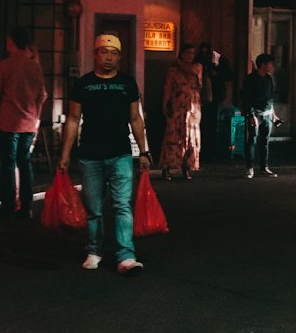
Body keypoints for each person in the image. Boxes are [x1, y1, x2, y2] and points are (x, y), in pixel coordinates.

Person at [58, 33, 152, 274]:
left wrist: (144, 151)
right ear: (95, 54)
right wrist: (65, 155)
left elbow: (135, 118)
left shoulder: (127, 84)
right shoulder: (83, 84)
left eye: (113, 53)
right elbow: (73, 118)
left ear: (119, 56)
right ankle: (94, 250)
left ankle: (126, 255)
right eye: (103, 52)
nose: (108, 57)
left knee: (122, 205)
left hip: (120, 153)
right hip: (89, 155)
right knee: (94, 208)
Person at [0, 27, 47, 220]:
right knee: (25, 163)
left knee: (8, 164)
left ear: (11, 42)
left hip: (7, 121)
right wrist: (36, 118)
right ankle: (27, 206)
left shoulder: (3, 66)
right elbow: (42, 95)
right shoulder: (34, 67)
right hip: (28, 122)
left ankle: (8, 205)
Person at [160, 42, 203, 180]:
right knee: (173, 136)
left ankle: (186, 166)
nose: (190, 56)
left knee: (190, 137)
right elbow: (168, 87)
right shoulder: (173, 70)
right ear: (182, 54)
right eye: (188, 53)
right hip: (178, 106)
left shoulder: (197, 67)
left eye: (192, 53)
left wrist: (180, 63)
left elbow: (192, 71)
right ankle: (167, 167)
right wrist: (165, 103)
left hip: (193, 108)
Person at [239, 53, 276, 179]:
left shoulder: (269, 79)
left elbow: (271, 97)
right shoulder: (250, 79)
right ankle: (249, 168)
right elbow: (246, 98)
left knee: (265, 141)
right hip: (255, 113)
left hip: (267, 113)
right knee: (251, 140)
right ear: (263, 65)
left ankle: (264, 167)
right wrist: (251, 115)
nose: (272, 66)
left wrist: (273, 114)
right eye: (270, 64)